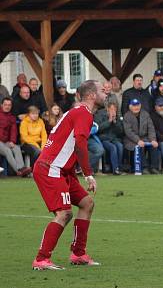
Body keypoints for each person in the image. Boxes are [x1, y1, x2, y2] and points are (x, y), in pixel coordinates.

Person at [31, 80, 107, 270]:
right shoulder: (83, 113)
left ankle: (78, 254)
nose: (105, 94)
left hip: (63, 170)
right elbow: (80, 143)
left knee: (87, 203)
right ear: (91, 95)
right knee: (64, 213)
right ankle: (41, 259)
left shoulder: (78, 112)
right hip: (51, 168)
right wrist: (88, 174)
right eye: (101, 91)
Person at [123, 99, 159, 175]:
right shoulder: (127, 116)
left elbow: (151, 128)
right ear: (130, 107)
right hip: (131, 140)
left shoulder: (145, 114)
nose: (136, 107)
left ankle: (154, 167)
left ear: (140, 106)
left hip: (144, 137)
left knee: (154, 145)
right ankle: (144, 167)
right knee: (140, 146)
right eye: (134, 105)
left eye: (137, 105)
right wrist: (138, 140)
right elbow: (128, 132)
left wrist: (153, 139)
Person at [0, 97, 31, 176]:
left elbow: (14, 131)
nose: (7, 107)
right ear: (1, 105)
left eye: (9, 105)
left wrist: (12, 141)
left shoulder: (12, 117)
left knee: (16, 148)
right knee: (7, 151)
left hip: (5, 141)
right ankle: (18, 171)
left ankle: (22, 168)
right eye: (5, 105)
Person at [95, 102, 125, 175]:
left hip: (114, 139)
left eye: (115, 109)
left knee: (120, 146)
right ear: (107, 109)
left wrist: (115, 122)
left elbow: (121, 132)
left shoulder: (118, 117)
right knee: (113, 147)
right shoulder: (100, 115)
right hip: (103, 139)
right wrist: (109, 121)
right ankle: (115, 169)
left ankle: (119, 168)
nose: (113, 111)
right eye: (111, 109)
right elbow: (98, 128)